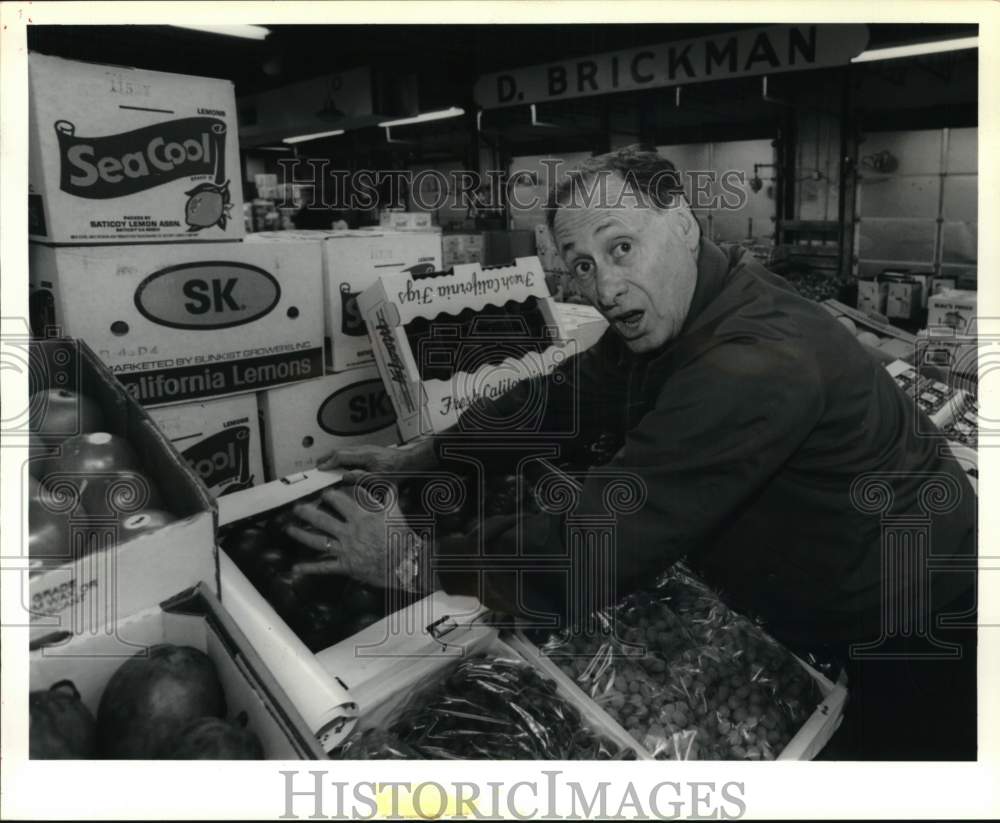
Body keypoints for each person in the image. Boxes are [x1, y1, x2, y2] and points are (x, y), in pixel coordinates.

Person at [286, 146, 977, 760]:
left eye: (622, 248)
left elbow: (606, 536)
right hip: (829, 585)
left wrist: (413, 560)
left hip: (909, 620)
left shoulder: (753, 360)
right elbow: (564, 394)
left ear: (682, 223)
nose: (605, 288)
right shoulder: (691, 305)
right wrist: (428, 455)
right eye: (582, 265)